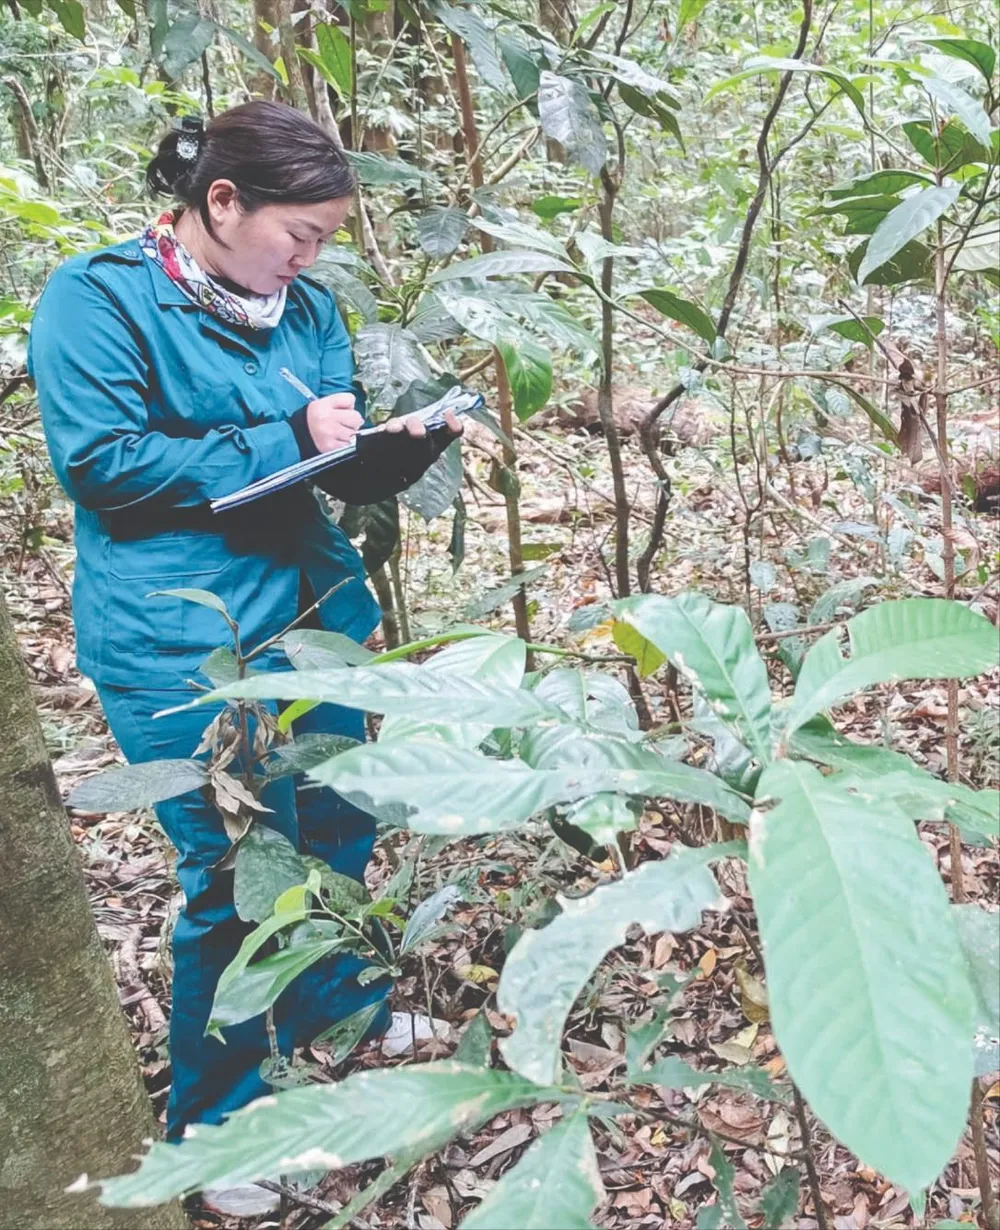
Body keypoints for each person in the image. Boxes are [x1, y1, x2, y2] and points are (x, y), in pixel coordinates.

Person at [28, 100, 462, 1214]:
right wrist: (288, 439)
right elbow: (105, 466)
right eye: (299, 234)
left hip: (313, 609)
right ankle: (214, 1126)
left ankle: (333, 1008)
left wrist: (389, 452)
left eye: (324, 239)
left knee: (338, 819)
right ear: (221, 201)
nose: (311, 259)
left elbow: (326, 452)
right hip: (178, 634)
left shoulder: (306, 307)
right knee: (233, 875)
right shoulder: (98, 297)